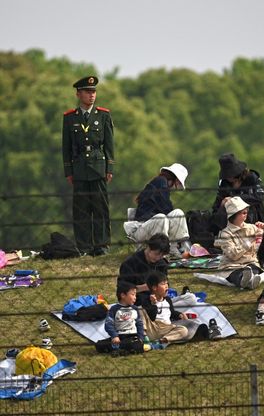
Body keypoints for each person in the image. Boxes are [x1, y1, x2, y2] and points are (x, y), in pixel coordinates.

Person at [62, 76, 115, 256]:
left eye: (94, 91)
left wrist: (110, 168)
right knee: (81, 209)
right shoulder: (69, 118)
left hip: (98, 167)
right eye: (88, 92)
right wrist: (68, 170)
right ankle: (84, 246)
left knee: (100, 208)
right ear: (79, 94)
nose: (92, 95)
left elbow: (109, 144)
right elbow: (66, 147)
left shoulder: (103, 115)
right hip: (79, 168)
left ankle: (101, 245)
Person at [124, 163, 190, 257]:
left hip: (152, 227)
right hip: (142, 228)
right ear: (175, 178)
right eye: (178, 183)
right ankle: (162, 251)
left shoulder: (161, 184)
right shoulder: (161, 182)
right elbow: (166, 208)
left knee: (178, 213)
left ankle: (176, 247)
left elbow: (167, 209)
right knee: (161, 218)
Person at [214, 196, 264, 289]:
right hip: (231, 266)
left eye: (246, 211)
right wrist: (251, 239)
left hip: (250, 263)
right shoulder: (225, 233)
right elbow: (233, 255)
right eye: (243, 212)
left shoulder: (252, 227)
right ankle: (245, 281)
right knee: (236, 275)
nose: (246, 213)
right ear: (234, 214)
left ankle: (251, 281)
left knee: (253, 269)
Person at [211, 153, 264, 236]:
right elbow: (216, 207)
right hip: (230, 226)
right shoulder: (224, 184)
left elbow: (260, 196)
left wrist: (234, 199)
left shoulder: (252, 178)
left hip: (253, 219)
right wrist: (223, 203)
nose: (229, 178)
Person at [137, 271, 188, 343]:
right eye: (163, 284)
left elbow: (172, 312)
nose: (166, 286)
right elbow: (151, 317)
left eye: (167, 283)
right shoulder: (147, 300)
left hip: (166, 328)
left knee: (183, 330)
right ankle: (144, 337)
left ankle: (162, 340)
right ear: (154, 288)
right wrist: (153, 304)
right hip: (152, 328)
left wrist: (180, 314)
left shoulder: (167, 300)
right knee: (140, 309)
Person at [95, 281, 144, 355]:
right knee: (99, 345)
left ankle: (118, 349)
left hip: (132, 337)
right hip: (119, 337)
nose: (135, 297)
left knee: (136, 344)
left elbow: (139, 324)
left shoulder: (135, 309)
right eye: (133, 294)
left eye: (135, 295)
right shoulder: (114, 309)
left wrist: (141, 337)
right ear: (123, 295)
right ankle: (121, 349)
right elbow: (108, 324)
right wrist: (114, 336)